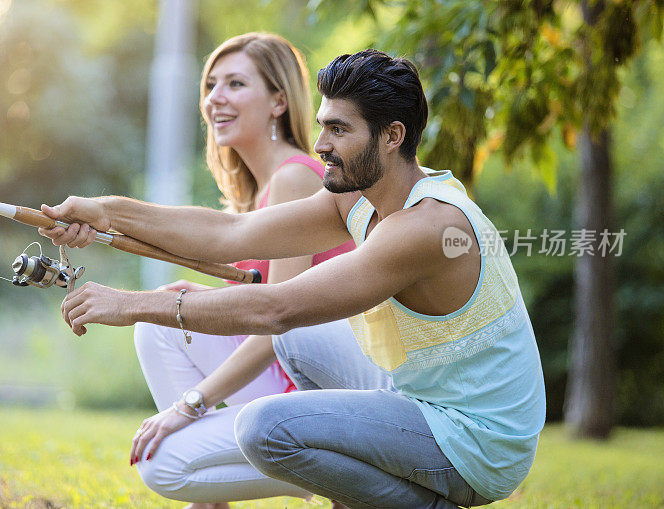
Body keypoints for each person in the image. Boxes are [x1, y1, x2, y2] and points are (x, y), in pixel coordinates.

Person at [40, 49, 546, 508]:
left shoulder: (426, 226)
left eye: (340, 131)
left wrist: (131, 305)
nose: (321, 144)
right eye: (323, 125)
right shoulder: (359, 197)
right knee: (299, 345)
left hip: (477, 444)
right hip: (418, 398)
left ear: (392, 136)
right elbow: (230, 233)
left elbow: (275, 309)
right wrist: (108, 211)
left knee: (263, 427)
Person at [50, 32, 355, 507]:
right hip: (291, 381)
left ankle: (308, 469)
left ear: (278, 101)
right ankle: (208, 499)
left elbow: (279, 326)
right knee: (165, 318)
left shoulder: (295, 177)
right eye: (211, 85)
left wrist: (188, 408)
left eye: (235, 84)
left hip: (316, 390)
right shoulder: (262, 190)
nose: (215, 98)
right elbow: (241, 284)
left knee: (161, 334)